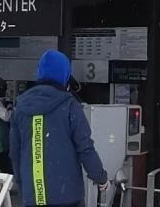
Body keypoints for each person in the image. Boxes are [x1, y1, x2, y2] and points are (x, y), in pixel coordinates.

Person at [9, 50, 108, 207]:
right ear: (65, 74)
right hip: (67, 196)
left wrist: (24, 188)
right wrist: (100, 177)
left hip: (33, 196)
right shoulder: (69, 105)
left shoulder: (20, 107)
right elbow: (85, 148)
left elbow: (15, 154)